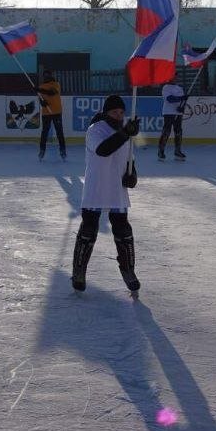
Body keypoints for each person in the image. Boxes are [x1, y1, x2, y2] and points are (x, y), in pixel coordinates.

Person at [71, 95, 141, 293]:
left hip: (117, 187)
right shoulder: (96, 129)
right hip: (97, 185)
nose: (118, 116)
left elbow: (130, 159)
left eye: (121, 112)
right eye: (114, 112)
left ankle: (128, 270)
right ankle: (79, 270)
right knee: (89, 228)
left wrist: (132, 175)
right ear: (105, 112)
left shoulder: (126, 132)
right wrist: (125, 133)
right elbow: (103, 150)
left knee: (123, 228)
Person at [36, 69, 66, 160]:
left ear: (51, 76)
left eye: (48, 75)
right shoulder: (41, 86)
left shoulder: (56, 84)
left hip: (56, 112)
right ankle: (42, 150)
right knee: (44, 132)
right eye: (45, 75)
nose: (46, 77)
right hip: (46, 113)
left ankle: (62, 150)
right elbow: (41, 100)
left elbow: (52, 93)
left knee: (59, 132)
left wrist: (39, 89)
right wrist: (42, 103)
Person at [157, 75, 187, 160]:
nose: (175, 79)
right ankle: (161, 150)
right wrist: (181, 98)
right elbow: (169, 99)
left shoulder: (179, 88)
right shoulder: (166, 88)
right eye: (173, 77)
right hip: (168, 112)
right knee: (166, 131)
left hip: (178, 113)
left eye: (176, 77)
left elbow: (183, 101)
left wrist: (182, 107)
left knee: (178, 131)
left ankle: (177, 151)